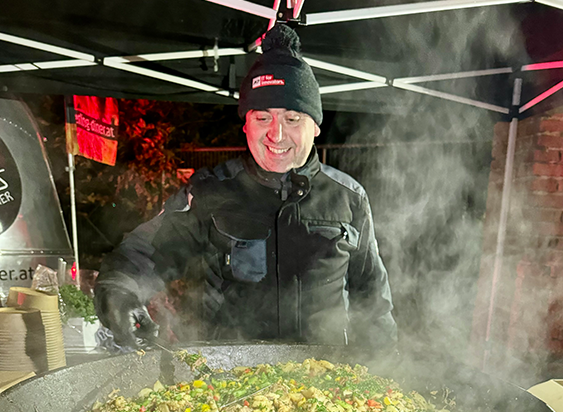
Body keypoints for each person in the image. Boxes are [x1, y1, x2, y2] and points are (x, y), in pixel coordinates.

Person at [94, 24, 398, 352]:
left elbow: (372, 299)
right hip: (228, 382)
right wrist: (118, 294)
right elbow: (142, 255)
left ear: (316, 126)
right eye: (262, 118)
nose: (276, 135)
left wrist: (382, 370)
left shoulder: (349, 197)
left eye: (293, 119)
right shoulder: (210, 191)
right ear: (246, 124)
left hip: (325, 383)